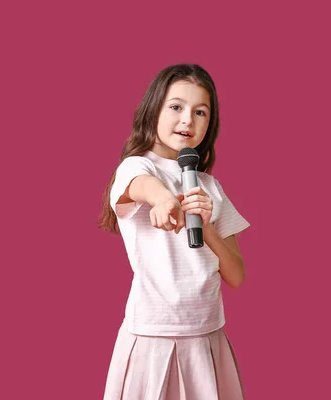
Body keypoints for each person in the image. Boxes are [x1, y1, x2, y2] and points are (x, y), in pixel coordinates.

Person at [98, 64, 250, 400]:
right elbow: (144, 186)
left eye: (200, 112)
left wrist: (207, 226)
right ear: (154, 109)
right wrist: (165, 200)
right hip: (153, 335)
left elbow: (236, 275)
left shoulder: (210, 187)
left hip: (207, 336)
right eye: (176, 107)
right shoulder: (138, 166)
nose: (187, 121)